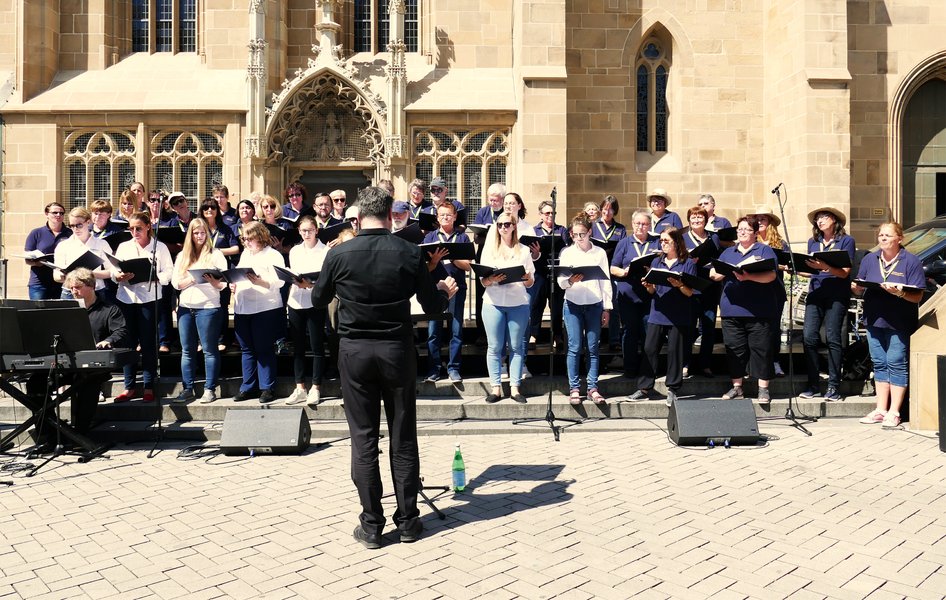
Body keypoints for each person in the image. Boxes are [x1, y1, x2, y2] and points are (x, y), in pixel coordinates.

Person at [311, 186, 457, 550]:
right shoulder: (408, 252)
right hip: (396, 351)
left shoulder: (341, 252)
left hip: (355, 352)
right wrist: (446, 292)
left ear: (357, 218)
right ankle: (408, 521)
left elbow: (318, 298)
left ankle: (372, 525)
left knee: (364, 439)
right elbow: (431, 304)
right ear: (391, 214)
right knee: (402, 435)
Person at [26, 268, 128, 446]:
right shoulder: (65, 311)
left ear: (92, 286)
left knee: (89, 384)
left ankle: (79, 435)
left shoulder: (109, 310)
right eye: (72, 288)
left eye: (78, 287)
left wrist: (107, 340)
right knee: (35, 383)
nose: (74, 291)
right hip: (65, 364)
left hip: (92, 367)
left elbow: (121, 331)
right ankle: (47, 433)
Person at [853, 222, 925, 429]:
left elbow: (918, 295)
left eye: (887, 235)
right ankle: (880, 409)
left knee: (896, 362)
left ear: (899, 239)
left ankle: (895, 412)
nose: (882, 239)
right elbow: (860, 288)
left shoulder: (910, 261)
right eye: (880, 235)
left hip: (899, 322)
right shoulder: (869, 259)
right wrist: (856, 288)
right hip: (874, 319)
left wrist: (899, 292)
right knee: (879, 362)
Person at [709, 216, 779, 403]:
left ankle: (763, 388)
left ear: (755, 233)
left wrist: (748, 277)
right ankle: (737, 387)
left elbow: (771, 276)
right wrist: (718, 272)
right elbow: (714, 273)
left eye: (747, 229)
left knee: (761, 349)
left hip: (759, 310)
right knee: (735, 349)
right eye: (739, 229)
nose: (742, 232)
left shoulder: (764, 250)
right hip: (731, 310)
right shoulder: (728, 252)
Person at [628, 227, 698, 406]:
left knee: (675, 352)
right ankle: (644, 388)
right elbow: (652, 290)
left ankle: (673, 389)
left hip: (679, 314)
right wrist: (648, 285)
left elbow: (690, 293)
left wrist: (678, 284)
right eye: (661, 241)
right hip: (658, 312)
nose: (663, 243)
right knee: (650, 349)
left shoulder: (687, 263)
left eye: (666, 240)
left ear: (676, 242)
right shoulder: (657, 261)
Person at [112, 211, 174, 403]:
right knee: (128, 343)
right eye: (131, 229)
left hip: (149, 297)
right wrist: (118, 276)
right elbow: (114, 269)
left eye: (138, 228)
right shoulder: (123, 246)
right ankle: (129, 386)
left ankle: (149, 385)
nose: (135, 232)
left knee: (148, 342)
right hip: (127, 297)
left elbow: (169, 272)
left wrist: (156, 277)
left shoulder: (160, 247)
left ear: (148, 227)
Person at [799, 206, 855, 401]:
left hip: (836, 295)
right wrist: (797, 268)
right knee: (809, 337)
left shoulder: (846, 241)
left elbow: (845, 272)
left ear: (834, 220)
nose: (820, 221)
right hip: (816, 293)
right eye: (818, 218)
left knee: (832, 337)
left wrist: (825, 267)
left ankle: (833, 386)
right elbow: (811, 271)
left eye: (824, 217)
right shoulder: (813, 242)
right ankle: (813, 384)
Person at [171, 218, 228, 404]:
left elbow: (223, 284)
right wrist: (193, 279)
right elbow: (176, 283)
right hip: (186, 308)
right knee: (187, 350)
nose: (199, 236)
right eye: (196, 233)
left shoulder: (216, 254)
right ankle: (188, 388)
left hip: (208, 307)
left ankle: (209, 389)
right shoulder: (182, 256)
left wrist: (212, 280)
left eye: (203, 232)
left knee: (209, 350)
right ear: (191, 235)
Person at [480, 213, 535, 404]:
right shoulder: (489, 250)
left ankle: (515, 388)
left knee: (516, 346)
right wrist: (491, 279)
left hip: (517, 302)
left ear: (513, 226)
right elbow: (483, 281)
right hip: (493, 302)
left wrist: (527, 278)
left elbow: (530, 282)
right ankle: (495, 388)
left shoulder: (524, 251)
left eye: (507, 224)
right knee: (494, 346)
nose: (503, 227)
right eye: (500, 224)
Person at [557, 215, 611, 405]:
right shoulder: (567, 253)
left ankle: (593, 388)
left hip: (594, 304)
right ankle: (574, 388)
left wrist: (607, 308)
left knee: (593, 347)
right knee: (574, 347)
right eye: (575, 235)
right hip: (573, 303)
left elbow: (605, 281)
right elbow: (561, 282)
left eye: (582, 234)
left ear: (590, 233)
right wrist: (571, 280)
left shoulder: (599, 253)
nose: (578, 238)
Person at [232, 221, 285, 404]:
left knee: (264, 348)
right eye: (244, 239)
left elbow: (280, 281)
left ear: (261, 237)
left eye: (249, 239)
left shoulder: (273, 255)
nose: (246, 242)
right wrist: (234, 283)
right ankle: (248, 387)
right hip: (243, 306)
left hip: (265, 306)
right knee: (247, 349)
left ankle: (267, 388)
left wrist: (259, 281)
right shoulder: (246, 254)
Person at [422, 202, 471, 383]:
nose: (445, 218)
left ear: (455, 216)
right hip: (435, 289)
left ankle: (454, 368)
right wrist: (435, 261)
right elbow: (425, 268)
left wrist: (453, 257)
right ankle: (434, 369)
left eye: (448, 215)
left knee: (456, 330)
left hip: (457, 288)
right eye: (442, 215)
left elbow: (468, 265)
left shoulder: (462, 237)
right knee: (434, 331)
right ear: (437, 217)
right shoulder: (430, 238)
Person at [283, 216, 329, 407]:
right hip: (295, 301)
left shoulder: (325, 251)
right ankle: (300, 387)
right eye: (303, 231)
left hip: (315, 302)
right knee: (298, 347)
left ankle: (316, 387)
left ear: (316, 230)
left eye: (310, 230)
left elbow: (326, 278)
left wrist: (309, 284)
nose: (306, 234)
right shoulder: (294, 250)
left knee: (317, 346)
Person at [610, 209, 659, 379]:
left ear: (649, 225)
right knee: (629, 332)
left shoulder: (656, 242)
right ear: (632, 224)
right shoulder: (624, 243)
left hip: (649, 295)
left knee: (648, 333)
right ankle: (629, 369)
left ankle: (648, 370)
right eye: (638, 223)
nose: (641, 226)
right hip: (628, 296)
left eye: (644, 224)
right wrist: (624, 272)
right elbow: (613, 267)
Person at [682, 205, 721, 378]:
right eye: (693, 217)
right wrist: (690, 259)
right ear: (689, 220)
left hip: (710, 287)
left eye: (700, 217)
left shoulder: (714, 238)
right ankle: (685, 364)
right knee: (688, 329)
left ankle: (705, 364)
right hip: (690, 289)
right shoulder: (683, 238)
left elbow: (719, 258)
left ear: (706, 220)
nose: (697, 220)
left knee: (708, 328)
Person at [753, 206, 789, 378]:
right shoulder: (752, 242)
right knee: (755, 329)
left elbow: (789, 265)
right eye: (757, 219)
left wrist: (780, 265)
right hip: (754, 291)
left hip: (775, 291)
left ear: (770, 223)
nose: (759, 222)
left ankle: (774, 361)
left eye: (763, 219)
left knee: (773, 329)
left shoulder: (781, 244)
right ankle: (755, 365)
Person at [528, 199, 570, 349]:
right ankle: (533, 334)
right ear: (540, 215)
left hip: (555, 272)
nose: (550, 216)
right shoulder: (534, 231)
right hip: (539, 272)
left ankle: (557, 336)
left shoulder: (562, 230)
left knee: (556, 306)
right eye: (547, 213)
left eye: (553, 213)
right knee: (536, 304)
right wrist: (536, 253)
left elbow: (566, 248)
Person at [591, 195, 627, 350]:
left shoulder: (620, 229)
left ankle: (614, 340)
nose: (607, 212)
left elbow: (623, 250)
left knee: (614, 306)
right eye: (605, 208)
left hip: (612, 270)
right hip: (595, 270)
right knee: (595, 305)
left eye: (611, 209)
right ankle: (595, 339)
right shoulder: (592, 226)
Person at [53, 207, 112, 300]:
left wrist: (88, 275)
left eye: (79, 225)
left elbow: (111, 271)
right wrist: (61, 276)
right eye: (72, 225)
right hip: (70, 292)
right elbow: (56, 276)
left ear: (88, 222)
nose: (75, 229)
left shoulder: (101, 244)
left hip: (96, 291)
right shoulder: (63, 245)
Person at [24, 202, 72, 300]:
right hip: (39, 283)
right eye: (55, 212)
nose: (58, 215)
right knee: (38, 313)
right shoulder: (36, 233)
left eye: (61, 213)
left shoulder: (70, 233)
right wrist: (39, 263)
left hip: (62, 281)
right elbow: (27, 259)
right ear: (47, 214)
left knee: (61, 313)